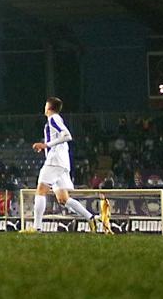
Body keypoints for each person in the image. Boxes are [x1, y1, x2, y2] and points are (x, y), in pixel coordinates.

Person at [29, 97, 101, 233]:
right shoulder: (56, 119)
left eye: (46, 105)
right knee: (63, 199)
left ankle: (36, 228)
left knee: (40, 191)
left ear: (49, 107)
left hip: (55, 161)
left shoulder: (53, 118)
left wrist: (46, 145)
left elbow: (67, 136)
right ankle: (91, 218)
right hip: (61, 162)